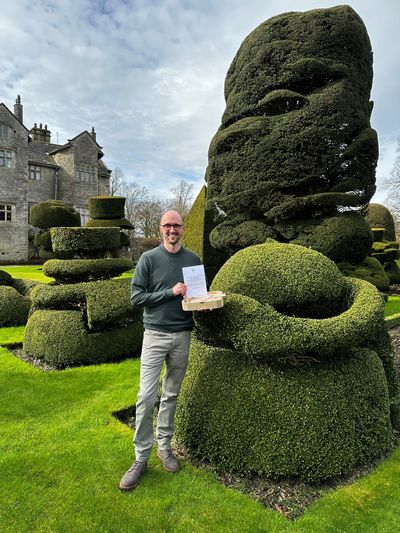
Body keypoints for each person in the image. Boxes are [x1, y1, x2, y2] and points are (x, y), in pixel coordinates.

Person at [119, 210, 202, 491]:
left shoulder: (193, 260)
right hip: (154, 335)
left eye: (176, 225)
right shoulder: (149, 259)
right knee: (145, 395)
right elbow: (136, 297)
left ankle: (164, 447)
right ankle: (141, 457)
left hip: (182, 335)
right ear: (161, 228)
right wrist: (170, 292)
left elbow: (197, 296)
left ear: (183, 228)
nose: (172, 230)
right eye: (167, 225)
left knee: (171, 394)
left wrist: (201, 300)